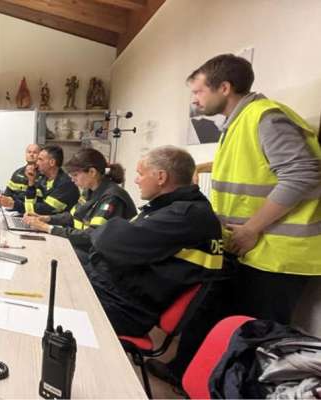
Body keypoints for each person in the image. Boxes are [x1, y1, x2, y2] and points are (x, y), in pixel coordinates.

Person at [149, 54, 321, 387]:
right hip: (249, 249)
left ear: (224, 87)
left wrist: (252, 228)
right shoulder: (237, 123)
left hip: (278, 255)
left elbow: (301, 174)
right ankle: (187, 377)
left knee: (253, 337)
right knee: (214, 315)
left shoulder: (265, 118)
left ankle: (230, 390)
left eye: (198, 92)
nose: (195, 100)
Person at [85, 146, 224, 337]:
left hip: (125, 307)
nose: (136, 180)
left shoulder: (184, 215)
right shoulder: (174, 208)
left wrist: (108, 230)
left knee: (51, 297)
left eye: (140, 174)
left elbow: (111, 241)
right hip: (116, 291)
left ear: (161, 177)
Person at [23, 148, 136, 259]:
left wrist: (49, 228)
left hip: (102, 259)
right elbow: (72, 217)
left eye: (75, 175)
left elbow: (91, 236)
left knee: (51, 255)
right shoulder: (89, 190)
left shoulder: (112, 198)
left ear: (92, 172)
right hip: (87, 249)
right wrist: (46, 218)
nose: (72, 180)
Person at [0, 145, 79, 215]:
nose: (37, 162)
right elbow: (32, 204)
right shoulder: (44, 179)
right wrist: (31, 183)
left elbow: (45, 209)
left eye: (40, 159)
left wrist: (14, 204)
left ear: (52, 162)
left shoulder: (65, 184)